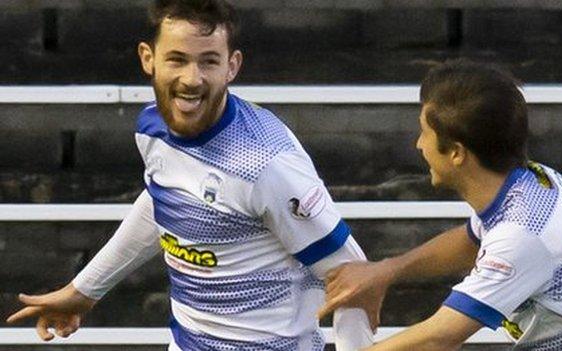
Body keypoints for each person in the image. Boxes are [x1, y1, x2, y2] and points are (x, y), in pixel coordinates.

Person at [6, 1, 374, 350]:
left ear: (232, 66)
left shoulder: (267, 164)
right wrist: (85, 290)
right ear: (148, 59)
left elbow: (354, 275)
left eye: (208, 62)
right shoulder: (152, 128)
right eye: (177, 60)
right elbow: (164, 200)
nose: (191, 79)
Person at [318, 60, 562, 350]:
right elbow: (471, 241)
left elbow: (440, 337)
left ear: (456, 153)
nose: (418, 145)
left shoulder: (522, 233)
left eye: (425, 132)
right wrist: (386, 271)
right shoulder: (526, 185)